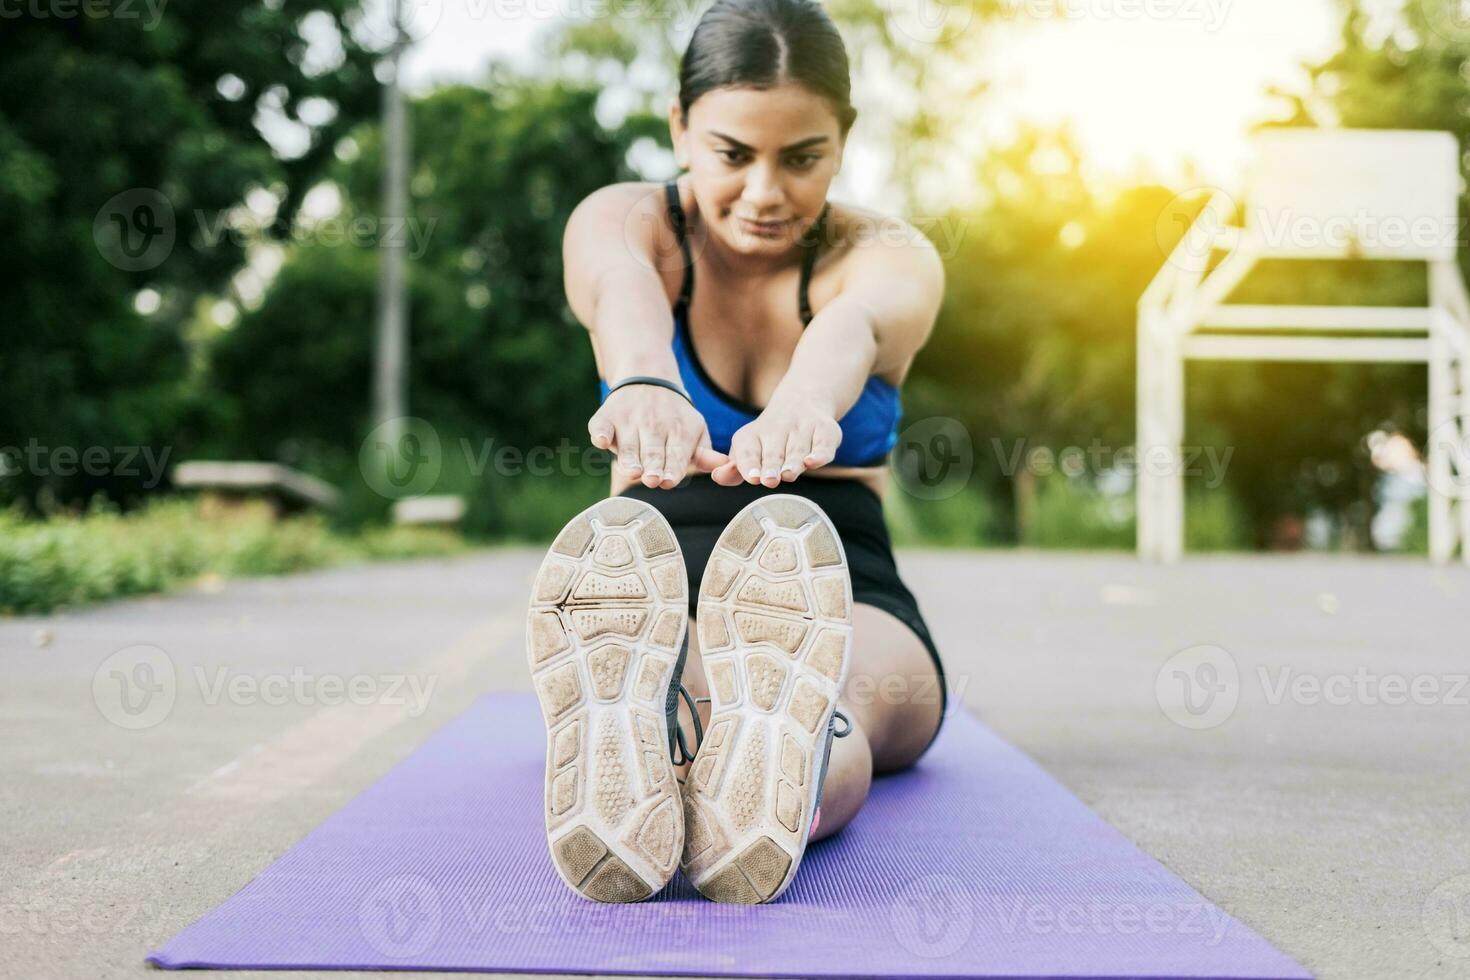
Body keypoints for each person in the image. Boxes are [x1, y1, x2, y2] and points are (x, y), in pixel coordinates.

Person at [540, 0, 947, 903]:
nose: (766, 193)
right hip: (650, 565)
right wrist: (646, 382)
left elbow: (853, 323)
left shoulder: (889, 253)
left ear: (844, 140)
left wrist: (804, 404)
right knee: (703, 689)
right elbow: (618, 287)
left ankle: (752, 766)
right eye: (733, 154)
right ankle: (648, 721)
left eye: (802, 158)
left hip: (834, 566)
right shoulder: (625, 219)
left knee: (852, 708)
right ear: (680, 127)